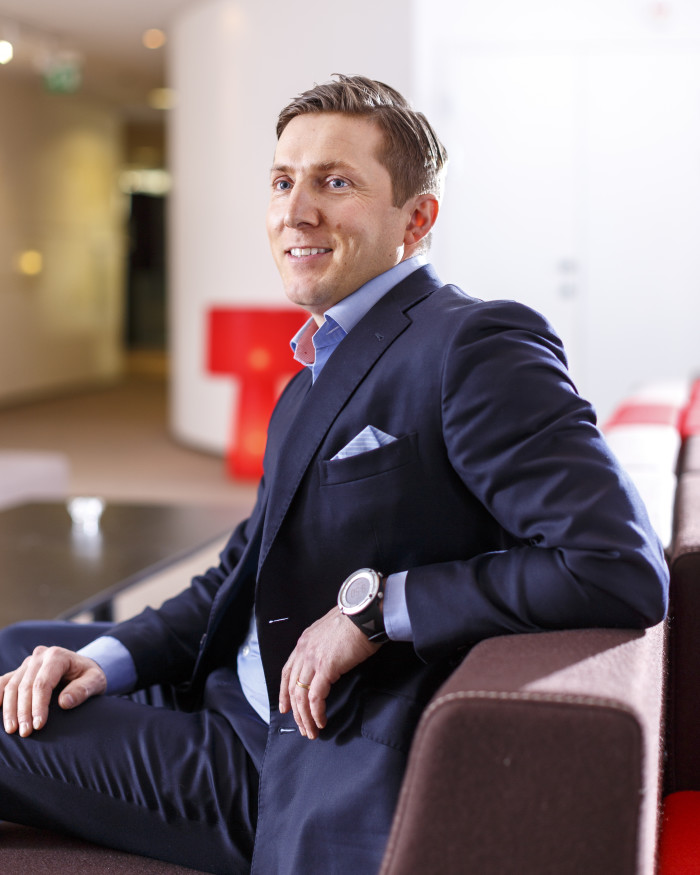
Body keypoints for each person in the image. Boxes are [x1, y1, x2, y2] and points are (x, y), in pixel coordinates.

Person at [0, 74, 668, 874]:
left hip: (288, 754)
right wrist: (109, 659)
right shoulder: (312, 372)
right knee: (20, 650)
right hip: (231, 681)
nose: (296, 210)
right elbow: (238, 574)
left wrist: (378, 609)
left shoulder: (474, 346)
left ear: (417, 219)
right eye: (283, 181)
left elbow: (615, 564)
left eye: (335, 182)